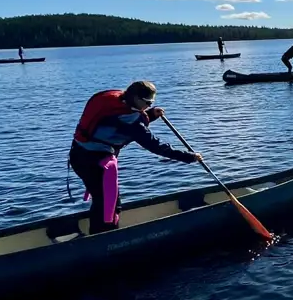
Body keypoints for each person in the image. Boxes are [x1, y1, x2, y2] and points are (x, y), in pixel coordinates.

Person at [69, 80, 200, 234]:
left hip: (78, 154)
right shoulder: (130, 121)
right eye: (148, 103)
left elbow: (118, 125)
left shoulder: (118, 102)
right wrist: (189, 157)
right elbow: (154, 145)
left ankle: (101, 235)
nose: (149, 106)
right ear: (137, 98)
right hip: (93, 162)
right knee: (109, 203)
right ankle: (103, 240)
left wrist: (151, 115)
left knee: (102, 199)